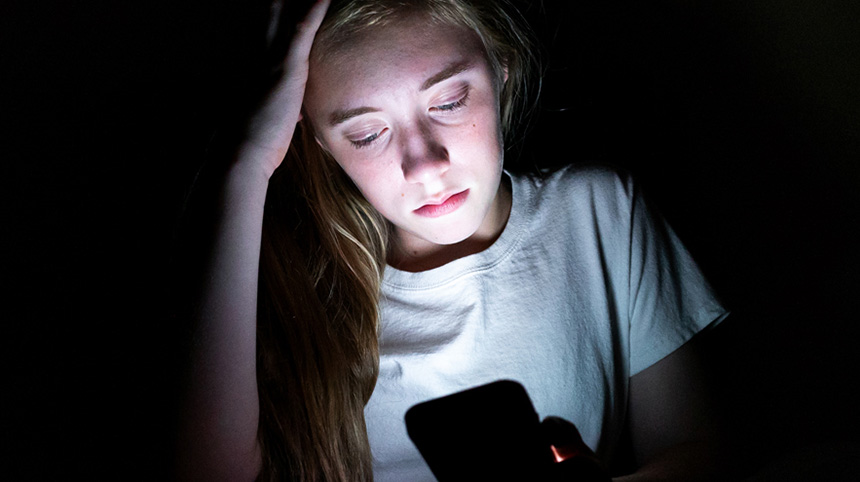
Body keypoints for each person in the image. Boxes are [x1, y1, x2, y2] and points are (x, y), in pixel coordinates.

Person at [175, 0, 731, 480]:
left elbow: (697, 451)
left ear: (502, 70)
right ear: (319, 142)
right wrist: (248, 164)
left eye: (448, 102)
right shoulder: (282, 284)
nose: (423, 164)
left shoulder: (601, 213)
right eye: (367, 134)